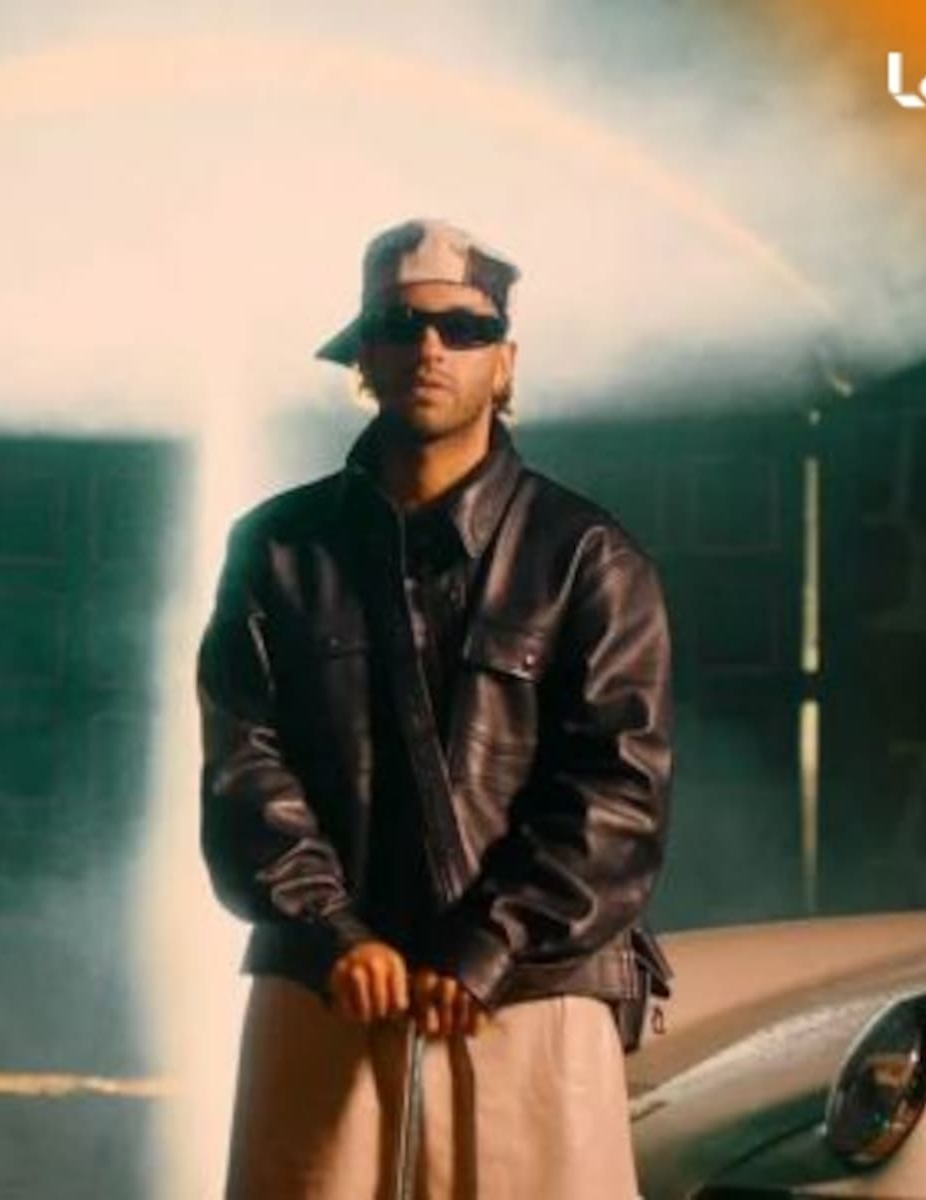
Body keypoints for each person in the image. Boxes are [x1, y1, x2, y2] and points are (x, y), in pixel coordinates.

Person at [199, 218, 672, 1199]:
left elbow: (618, 793)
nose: (429, 349)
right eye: (400, 326)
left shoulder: (586, 556)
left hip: (528, 997)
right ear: (361, 356)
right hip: (326, 989)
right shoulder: (276, 548)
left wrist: (491, 945)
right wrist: (333, 931)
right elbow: (243, 763)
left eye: (463, 327)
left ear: (505, 362)